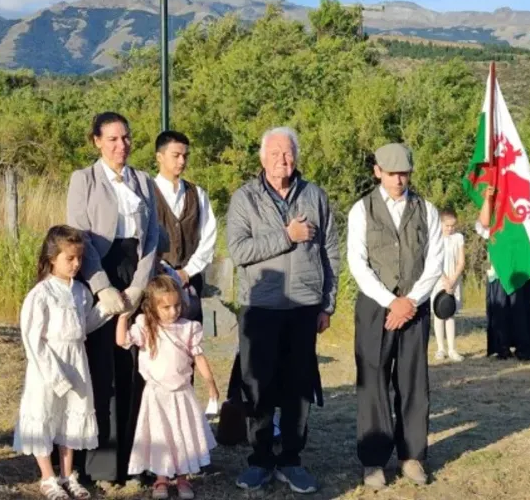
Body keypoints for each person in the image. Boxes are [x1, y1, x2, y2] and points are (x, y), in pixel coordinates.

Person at [226, 126, 339, 494]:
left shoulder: (315, 196)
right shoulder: (245, 198)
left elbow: (331, 252)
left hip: (304, 308)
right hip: (261, 307)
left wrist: (328, 303)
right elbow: (240, 251)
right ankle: (259, 460)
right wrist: (287, 236)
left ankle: (291, 459)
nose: (282, 160)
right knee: (257, 387)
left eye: (288, 153)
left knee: (298, 387)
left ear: (297, 157)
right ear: (262, 158)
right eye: (274, 153)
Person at [66, 112, 160, 483]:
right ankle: (99, 463)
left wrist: (138, 286)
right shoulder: (83, 180)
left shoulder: (143, 180)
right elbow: (79, 237)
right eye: (113, 140)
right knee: (100, 372)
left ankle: (134, 462)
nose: (121, 146)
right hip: (96, 277)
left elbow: (152, 237)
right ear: (96, 142)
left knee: (135, 370)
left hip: (135, 277)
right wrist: (102, 287)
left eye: (126, 138)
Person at [347, 143, 444, 490]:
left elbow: (435, 261)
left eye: (404, 173)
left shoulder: (426, 210)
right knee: (373, 382)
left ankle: (412, 455)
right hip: (377, 306)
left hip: (414, 307)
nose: (398, 179)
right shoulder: (361, 210)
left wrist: (412, 301)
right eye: (391, 173)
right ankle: (373, 460)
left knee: (413, 381)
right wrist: (391, 301)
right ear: (378, 172)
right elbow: (357, 263)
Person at [13, 226, 120, 500]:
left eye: (79, 259)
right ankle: (47, 476)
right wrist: (54, 375)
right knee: (46, 414)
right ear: (52, 258)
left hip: (76, 359)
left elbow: (86, 324)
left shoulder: (81, 292)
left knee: (72, 416)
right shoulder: (41, 294)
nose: (76, 265)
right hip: (49, 364)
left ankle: (67, 474)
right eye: (69, 259)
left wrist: (108, 308)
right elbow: (33, 339)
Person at [116, 275, 219, 500]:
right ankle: (160, 478)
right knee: (160, 434)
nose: (173, 312)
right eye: (166, 307)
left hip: (182, 394)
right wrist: (124, 316)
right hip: (157, 395)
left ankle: (182, 478)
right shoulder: (145, 326)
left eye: (177, 306)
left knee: (181, 434)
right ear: (153, 307)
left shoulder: (188, 328)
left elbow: (198, 357)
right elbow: (122, 341)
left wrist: (210, 382)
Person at [477, 186, 530, 361]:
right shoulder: (492, 208)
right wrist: (488, 199)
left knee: (523, 308)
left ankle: (526, 346)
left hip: (522, 265)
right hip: (501, 267)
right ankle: (501, 347)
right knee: (501, 308)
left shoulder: (522, 208)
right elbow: (484, 224)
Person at [151, 130, 218, 323]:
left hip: (191, 280)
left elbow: (208, 236)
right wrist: (165, 271)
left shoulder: (197, 193)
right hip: (156, 281)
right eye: (176, 155)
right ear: (159, 157)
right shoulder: (146, 193)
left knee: (191, 340)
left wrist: (188, 271)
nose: (182, 161)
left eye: (185, 156)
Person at [431, 208, 465, 362]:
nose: (450, 229)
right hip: (438, 279)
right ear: (440, 224)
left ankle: (452, 349)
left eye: (453, 226)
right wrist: (444, 280)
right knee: (439, 313)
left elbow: (461, 261)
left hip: (453, 280)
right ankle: (440, 348)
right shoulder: (434, 238)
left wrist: (452, 279)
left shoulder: (458, 238)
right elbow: (434, 261)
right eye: (447, 226)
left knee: (450, 313)